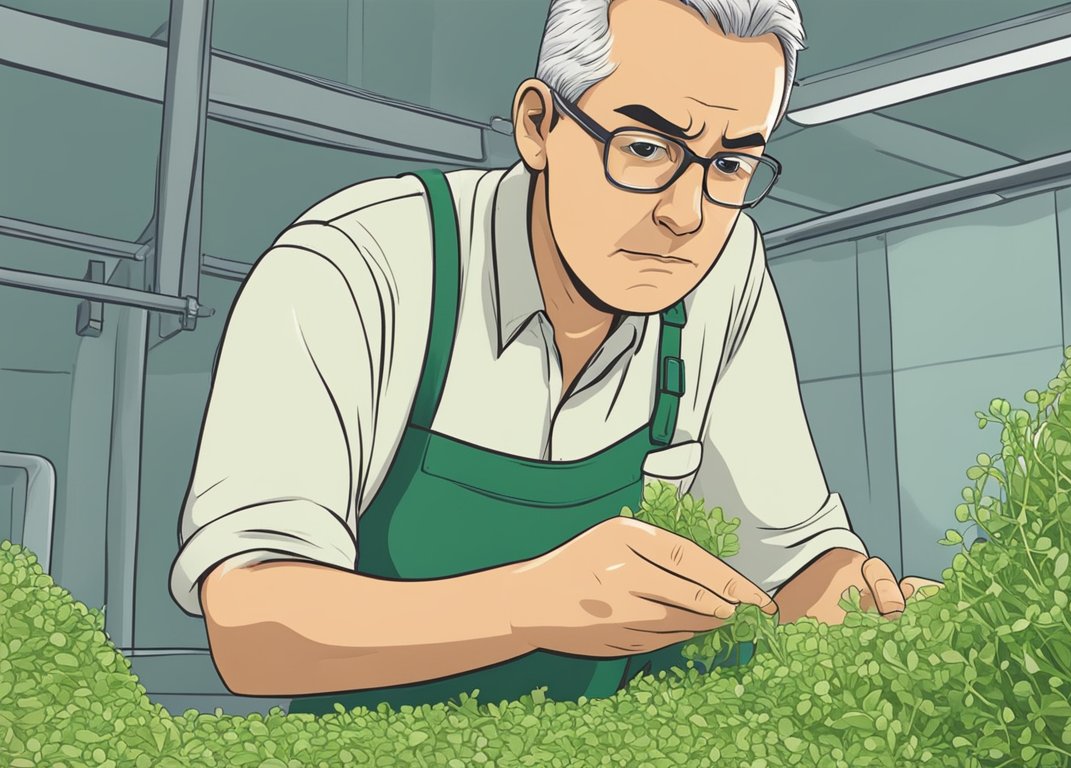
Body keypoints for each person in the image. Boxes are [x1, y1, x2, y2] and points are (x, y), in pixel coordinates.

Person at [168, 0, 943, 714]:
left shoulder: (725, 269)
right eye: (644, 147)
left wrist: (853, 604)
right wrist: (533, 605)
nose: (685, 213)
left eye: (731, 165)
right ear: (538, 125)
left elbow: (792, 557)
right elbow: (251, 626)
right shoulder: (359, 267)